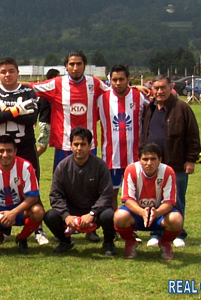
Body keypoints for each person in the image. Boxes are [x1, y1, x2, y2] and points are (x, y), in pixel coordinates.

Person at [0, 57, 48, 245]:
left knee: (33, 187)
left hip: (25, 148)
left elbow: (31, 119)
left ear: (17, 72)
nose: (8, 75)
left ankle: (38, 229)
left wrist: (3, 111)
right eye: (3, 72)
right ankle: (4, 229)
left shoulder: (28, 91)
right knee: (2, 187)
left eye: (11, 71)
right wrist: (18, 110)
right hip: (2, 149)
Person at [141, 75, 201, 248]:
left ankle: (178, 233)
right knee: (155, 200)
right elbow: (145, 134)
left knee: (176, 199)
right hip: (154, 165)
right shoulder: (150, 108)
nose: (159, 91)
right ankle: (156, 233)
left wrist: (190, 159)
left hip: (176, 164)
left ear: (170, 88)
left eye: (163, 88)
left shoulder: (182, 108)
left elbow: (193, 135)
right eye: (156, 88)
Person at [44, 127, 117, 256]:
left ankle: (108, 243)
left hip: (95, 211)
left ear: (90, 146)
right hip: (71, 210)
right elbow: (55, 195)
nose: (79, 148)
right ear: (71, 146)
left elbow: (106, 195)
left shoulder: (100, 166)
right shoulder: (62, 167)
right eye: (76, 144)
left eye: (83, 144)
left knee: (109, 214)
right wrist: (66, 216)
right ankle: (65, 242)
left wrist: (92, 213)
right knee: (50, 216)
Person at [31, 51, 108, 173]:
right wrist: (2, 85)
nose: (75, 68)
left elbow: (115, 92)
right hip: (64, 145)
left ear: (85, 65)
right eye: (72, 64)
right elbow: (31, 87)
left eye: (79, 64)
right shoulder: (57, 83)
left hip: (88, 145)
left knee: (89, 181)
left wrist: (136, 89)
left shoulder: (95, 83)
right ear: (66, 66)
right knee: (62, 180)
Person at [113, 143, 183, 260]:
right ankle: (130, 241)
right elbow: (128, 199)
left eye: (153, 159)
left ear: (160, 160)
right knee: (119, 216)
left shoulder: (168, 171)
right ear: (139, 160)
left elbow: (169, 202)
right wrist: (142, 212)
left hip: (159, 214)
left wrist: (156, 213)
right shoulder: (131, 170)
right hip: (137, 213)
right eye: (145, 159)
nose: (149, 163)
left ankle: (165, 243)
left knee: (176, 219)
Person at [97, 64, 149, 210]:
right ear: (110, 80)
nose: (118, 83)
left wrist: (138, 88)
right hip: (111, 157)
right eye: (115, 80)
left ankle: (134, 221)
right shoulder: (101, 99)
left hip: (135, 157)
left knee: (137, 193)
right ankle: (114, 222)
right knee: (111, 193)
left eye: (121, 79)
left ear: (128, 79)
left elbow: (155, 106)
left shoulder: (139, 97)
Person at [36, 68, 60, 158]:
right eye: (58, 77)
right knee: (42, 146)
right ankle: (31, 160)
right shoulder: (50, 92)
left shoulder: (45, 91)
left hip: (46, 122)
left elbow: (37, 106)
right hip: (46, 122)